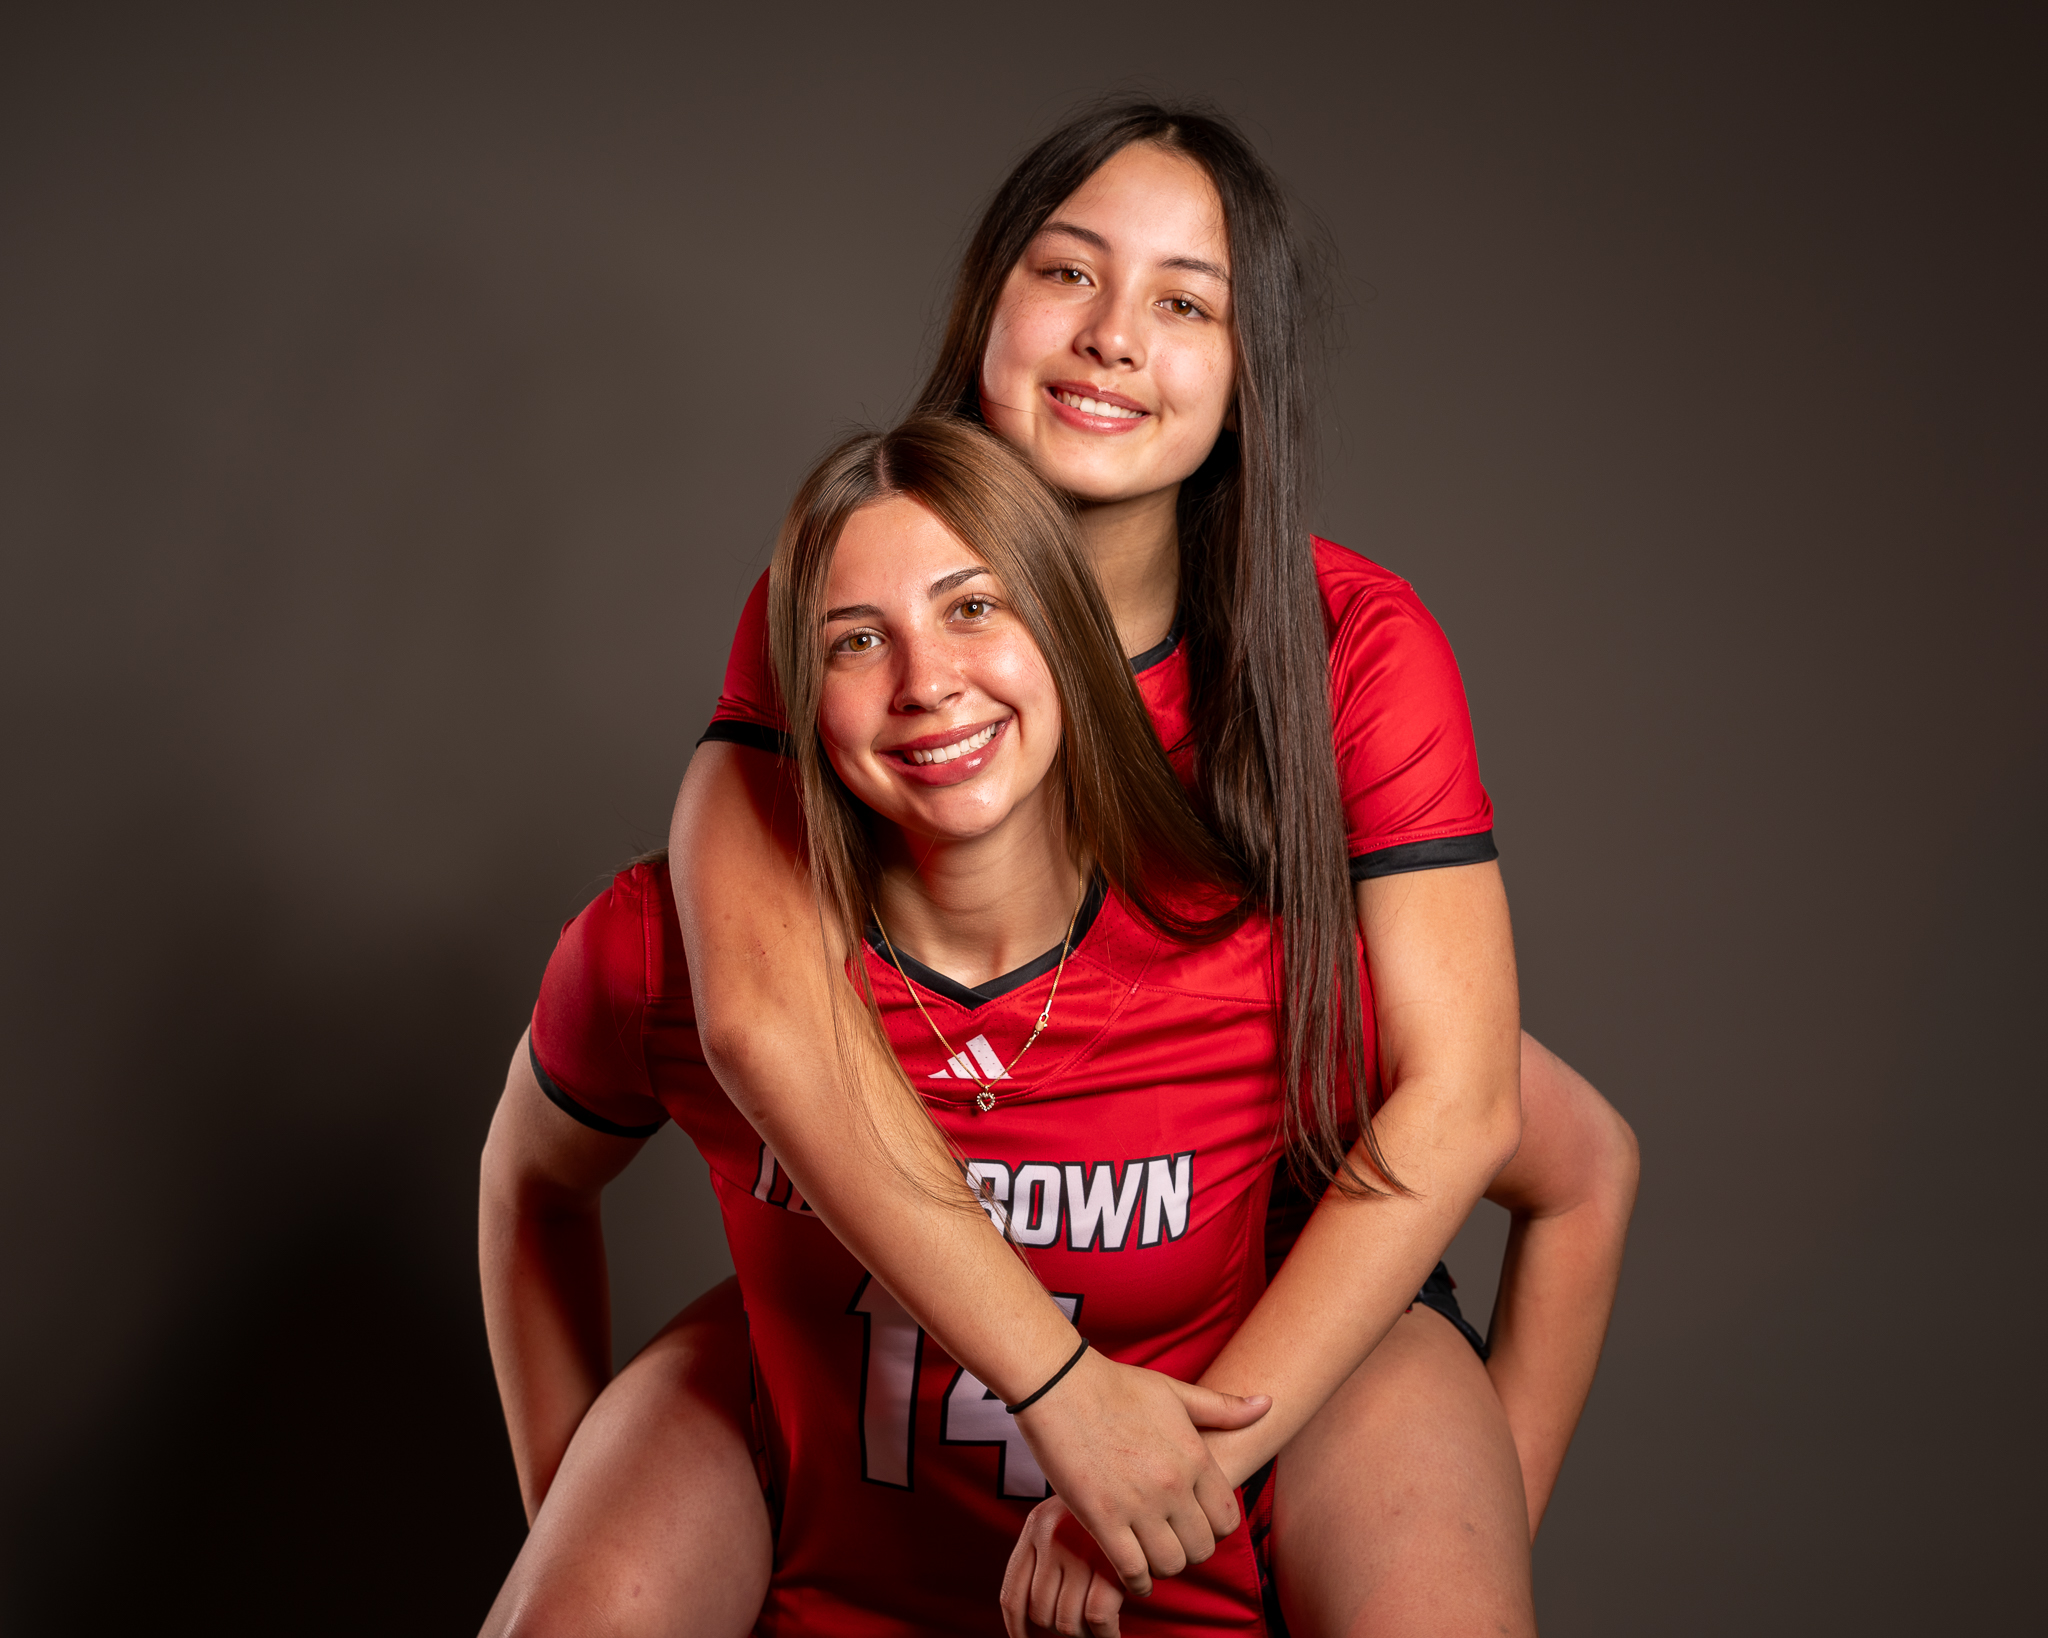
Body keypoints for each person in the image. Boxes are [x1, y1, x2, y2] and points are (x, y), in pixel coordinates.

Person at [481, 101, 1639, 1635]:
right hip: (898, 1320)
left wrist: (1255, 1484)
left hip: (1277, 1294)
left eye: (1184, 301)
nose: (1110, 337)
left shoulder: (1342, 655)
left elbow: (1478, 1106)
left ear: (1245, 377)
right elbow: (749, 1011)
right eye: (1067, 273)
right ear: (985, 313)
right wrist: (1058, 1393)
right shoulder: (838, 592)